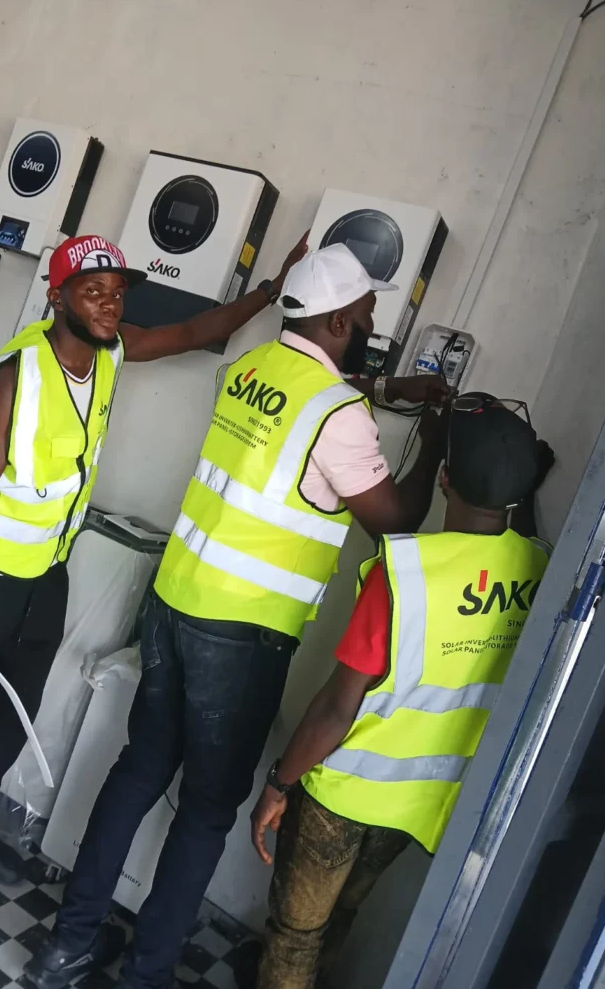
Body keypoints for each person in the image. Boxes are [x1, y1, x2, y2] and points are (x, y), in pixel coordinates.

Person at [27, 243, 448, 989]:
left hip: (173, 603)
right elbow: (394, 519)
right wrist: (437, 433)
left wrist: (382, 386)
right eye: (369, 314)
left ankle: (69, 943)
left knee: (136, 773)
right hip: (244, 638)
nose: (372, 322)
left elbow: (309, 396)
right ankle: (147, 973)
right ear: (346, 319)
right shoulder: (341, 415)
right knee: (206, 810)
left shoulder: (249, 371)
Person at [0, 231, 309, 896]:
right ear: (57, 299)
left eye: (116, 293)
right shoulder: (16, 377)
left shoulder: (110, 354)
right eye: (94, 292)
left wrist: (273, 290)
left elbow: (194, 331)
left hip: (46, 577)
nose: (110, 305)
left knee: (7, 720)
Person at [249, 394, 554, 989]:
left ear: (442, 480)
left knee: (294, 935)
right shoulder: (539, 569)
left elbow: (340, 705)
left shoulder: (407, 572)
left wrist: (278, 784)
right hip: (418, 805)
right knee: (343, 918)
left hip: (342, 797)